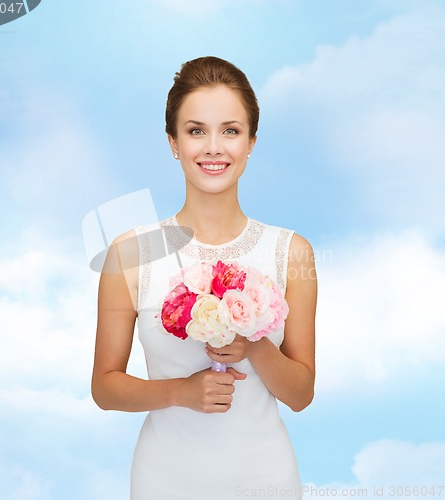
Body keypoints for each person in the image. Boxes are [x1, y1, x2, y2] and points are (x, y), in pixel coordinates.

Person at [91, 56, 317, 500]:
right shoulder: (131, 253)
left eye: (230, 131)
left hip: (265, 479)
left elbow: (301, 393)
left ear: (251, 141)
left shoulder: (291, 252)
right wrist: (181, 392)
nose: (214, 147)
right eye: (196, 131)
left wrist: (253, 344)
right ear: (173, 142)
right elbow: (104, 386)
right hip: (165, 481)